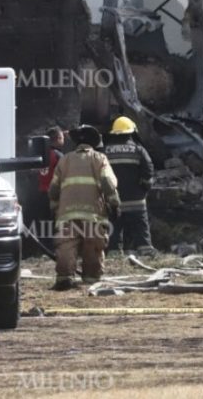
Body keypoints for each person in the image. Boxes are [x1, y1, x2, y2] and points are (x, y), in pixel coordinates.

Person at [48, 125, 119, 290]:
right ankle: (91, 278)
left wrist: (54, 207)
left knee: (66, 245)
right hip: (93, 214)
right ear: (93, 143)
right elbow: (108, 183)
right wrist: (114, 203)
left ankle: (64, 277)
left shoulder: (64, 160)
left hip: (66, 214)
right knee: (93, 247)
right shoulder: (99, 158)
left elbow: (53, 189)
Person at [103, 117, 156, 256]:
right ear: (131, 132)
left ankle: (114, 254)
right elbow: (148, 170)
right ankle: (146, 252)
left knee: (114, 228)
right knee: (141, 228)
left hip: (114, 200)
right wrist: (145, 187)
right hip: (136, 200)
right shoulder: (138, 150)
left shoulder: (105, 152)